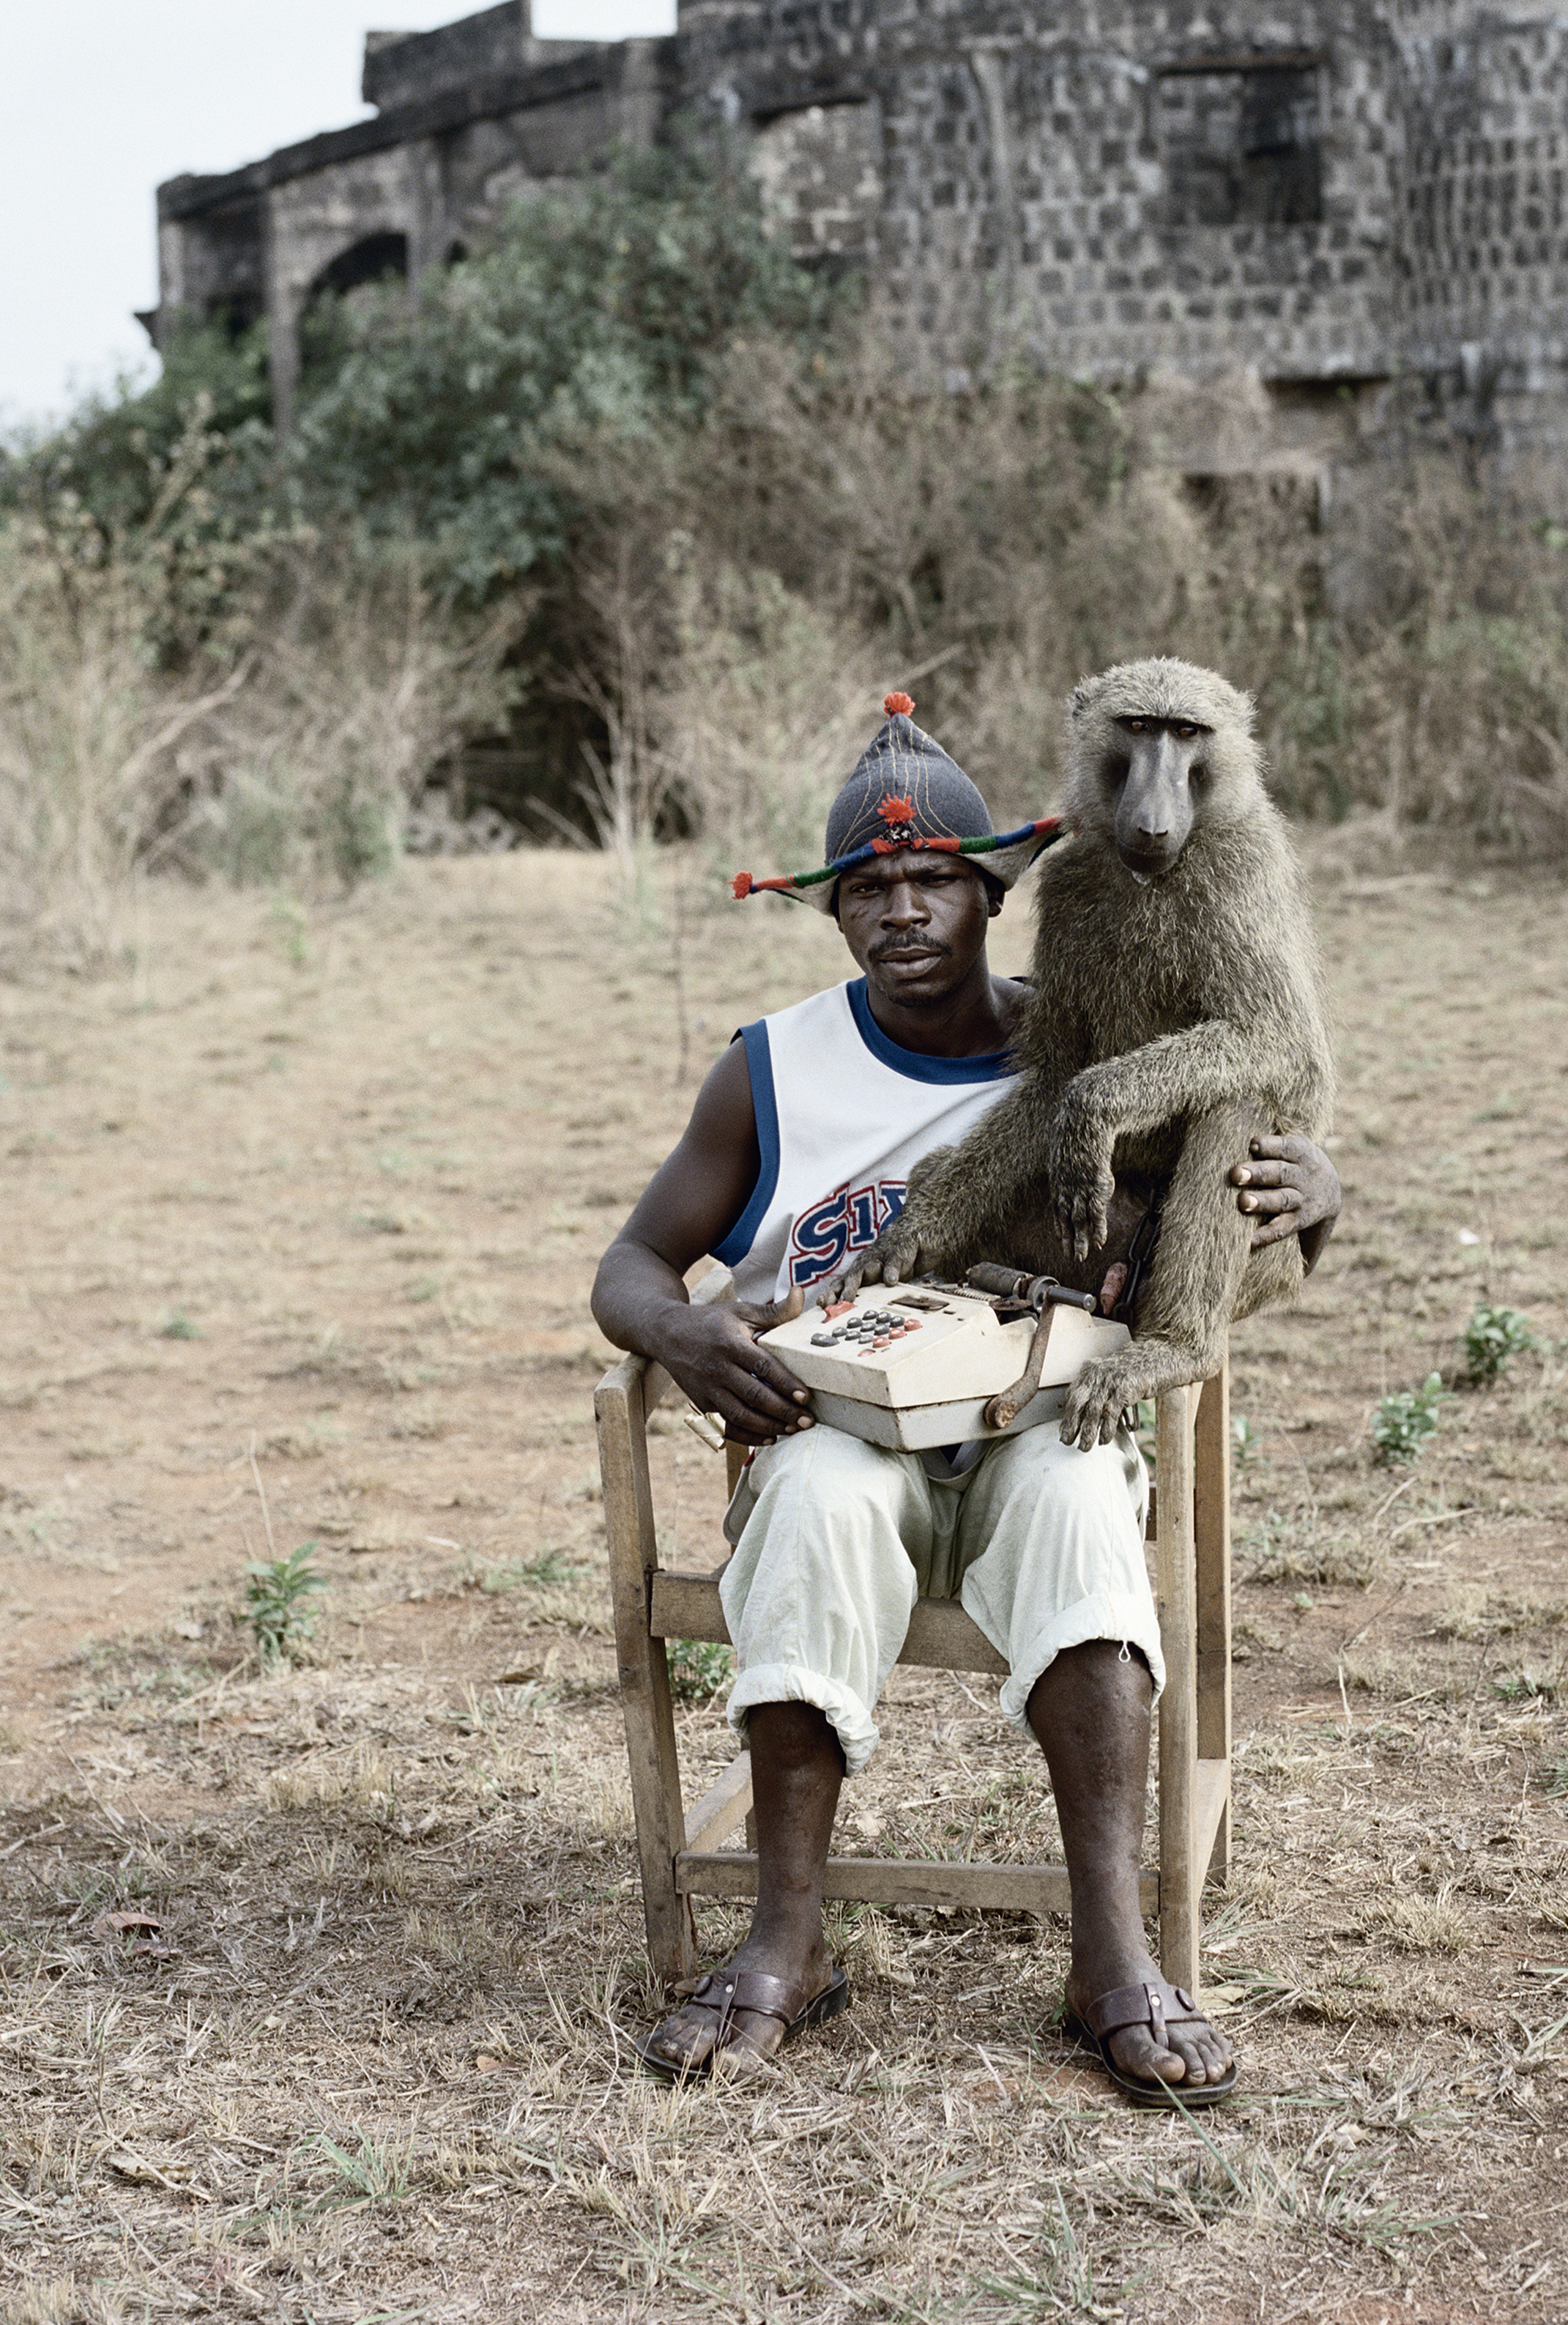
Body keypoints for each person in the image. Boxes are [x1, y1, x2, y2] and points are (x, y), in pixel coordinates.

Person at [590, 694, 1340, 2101]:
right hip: (839, 1431)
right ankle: (785, 1940)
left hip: (1035, 1417)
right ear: (831, 915)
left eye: (934, 879)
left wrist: (1324, 1199)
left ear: (996, 890)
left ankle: (1112, 1954)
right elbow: (630, 1261)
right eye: (868, 890)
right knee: (811, 1500)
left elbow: (1248, 1126)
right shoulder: (770, 1069)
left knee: (1075, 1506)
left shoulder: (1087, 1030)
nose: (903, 914)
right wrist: (685, 1334)